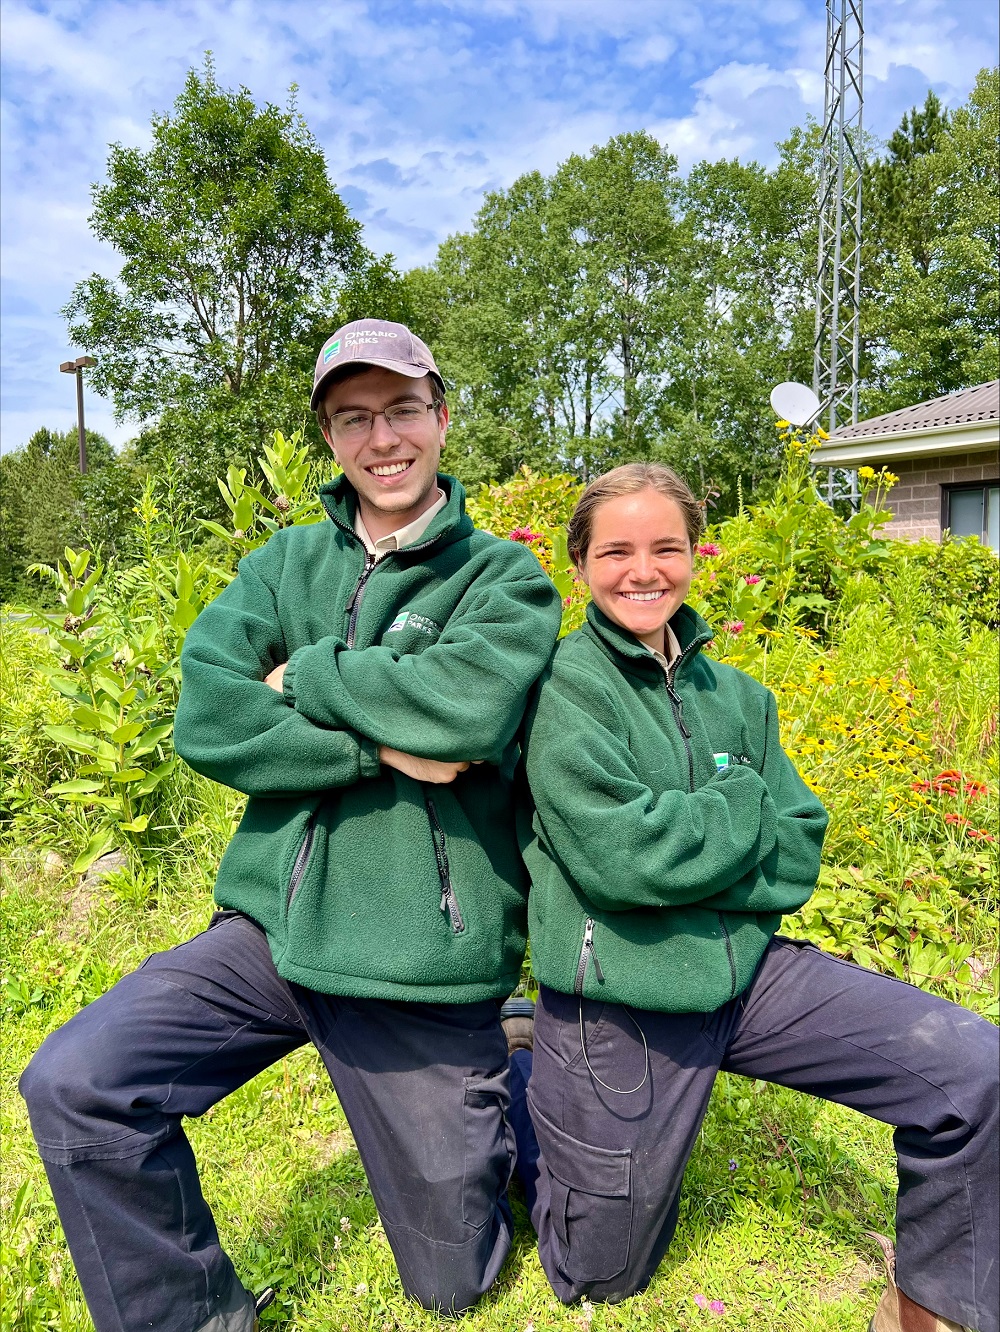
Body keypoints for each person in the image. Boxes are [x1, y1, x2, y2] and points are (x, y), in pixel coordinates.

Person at [19, 319, 562, 1332]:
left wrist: (306, 676)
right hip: (271, 933)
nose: (382, 438)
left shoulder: (503, 579)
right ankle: (196, 1319)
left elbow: (467, 716)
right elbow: (207, 716)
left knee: (455, 1281)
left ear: (441, 418)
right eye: (352, 418)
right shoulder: (280, 567)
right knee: (77, 1083)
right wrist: (382, 745)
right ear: (328, 438)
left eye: (402, 409)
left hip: (421, 960)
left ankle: (514, 1056)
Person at [510, 463, 998, 1332]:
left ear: (697, 555)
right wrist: (740, 805)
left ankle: (930, 1309)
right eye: (616, 550)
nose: (643, 570)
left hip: (745, 975)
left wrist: (687, 857)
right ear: (580, 562)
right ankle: (523, 1066)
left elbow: (799, 846)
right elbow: (622, 861)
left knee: (971, 1067)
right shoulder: (564, 689)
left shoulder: (741, 698)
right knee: (597, 1274)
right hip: (617, 997)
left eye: (667, 547)